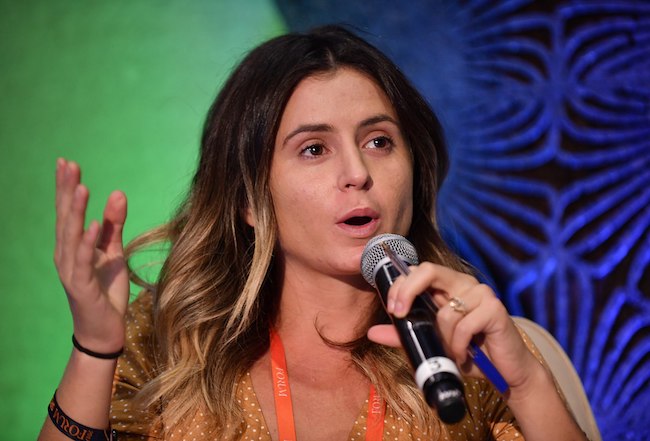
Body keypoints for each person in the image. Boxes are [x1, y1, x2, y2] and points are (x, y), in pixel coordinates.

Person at [39, 25, 587, 441]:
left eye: (378, 141)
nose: (358, 173)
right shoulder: (171, 339)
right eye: (314, 149)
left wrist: (527, 386)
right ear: (250, 200)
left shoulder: (466, 357)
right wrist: (94, 348)